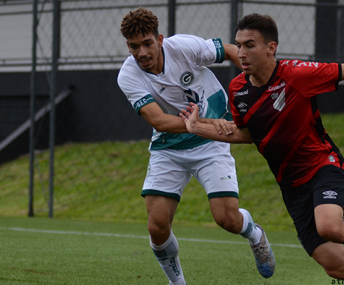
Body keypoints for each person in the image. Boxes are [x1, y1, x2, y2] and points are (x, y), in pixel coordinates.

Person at [180, 13, 344, 284]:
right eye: (239, 45)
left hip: (323, 165)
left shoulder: (297, 75)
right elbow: (248, 134)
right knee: (337, 266)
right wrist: (196, 127)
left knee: (329, 227)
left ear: (271, 48)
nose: (241, 52)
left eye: (250, 45)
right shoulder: (237, 89)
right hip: (291, 185)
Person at [117, 7, 275, 285]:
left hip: (211, 143)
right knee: (157, 226)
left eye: (147, 43)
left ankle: (255, 234)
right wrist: (208, 124)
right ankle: (177, 283)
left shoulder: (184, 47)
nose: (141, 52)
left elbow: (229, 51)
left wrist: (262, 82)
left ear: (160, 39)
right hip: (170, 146)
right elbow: (159, 120)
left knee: (226, 218)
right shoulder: (128, 76)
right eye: (133, 46)